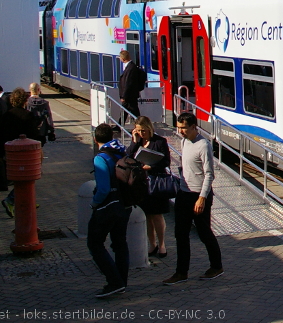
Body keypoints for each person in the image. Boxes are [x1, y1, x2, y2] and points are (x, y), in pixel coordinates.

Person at [164, 112, 223, 285]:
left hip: (198, 195)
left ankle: (216, 266)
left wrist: (202, 198)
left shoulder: (203, 145)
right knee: (180, 234)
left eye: (184, 128)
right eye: (179, 127)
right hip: (184, 193)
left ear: (193, 127)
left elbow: (209, 174)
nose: (180, 131)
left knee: (204, 233)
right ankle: (181, 272)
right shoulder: (184, 142)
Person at [88, 123, 132, 298]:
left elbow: (103, 189)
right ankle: (122, 281)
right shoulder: (121, 152)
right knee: (120, 243)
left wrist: (94, 203)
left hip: (108, 207)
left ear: (95, 139)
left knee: (95, 243)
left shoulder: (101, 158)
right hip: (125, 206)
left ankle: (114, 282)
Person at [127, 116, 171, 258]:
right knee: (147, 215)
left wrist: (151, 166)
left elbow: (166, 161)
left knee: (157, 214)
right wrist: (134, 142)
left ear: (149, 128)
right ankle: (152, 244)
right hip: (142, 183)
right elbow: (128, 157)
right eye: (138, 131)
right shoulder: (138, 141)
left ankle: (162, 244)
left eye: (143, 131)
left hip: (155, 181)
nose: (141, 133)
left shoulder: (159, 142)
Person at [0, 88, 40, 218]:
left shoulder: (6, 115)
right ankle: (11, 200)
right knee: (29, 176)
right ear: (25, 101)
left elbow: (1, 133)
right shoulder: (28, 115)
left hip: (11, 152)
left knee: (20, 178)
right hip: (26, 153)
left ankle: (29, 200)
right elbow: (34, 135)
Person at [118, 51, 146, 121]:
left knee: (133, 111)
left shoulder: (131, 68)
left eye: (120, 57)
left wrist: (124, 96)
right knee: (126, 111)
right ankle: (119, 125)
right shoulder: (130, 66)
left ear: (123, 58)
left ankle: (140, 123)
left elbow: (128, 83)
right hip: (130, 95)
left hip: (129, 95)